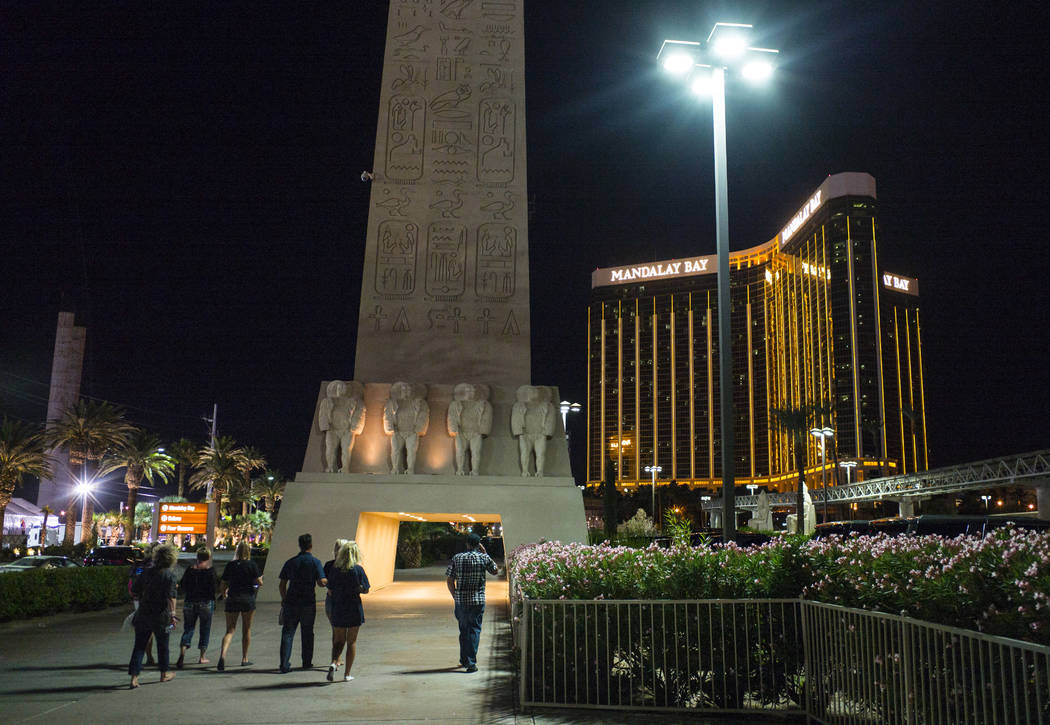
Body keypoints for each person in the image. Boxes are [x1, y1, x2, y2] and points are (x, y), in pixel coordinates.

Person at [446, 533, 500, 673]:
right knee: (474, 629)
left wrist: (455, 596)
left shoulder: (457, 558)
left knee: (464, 630)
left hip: (461, 601)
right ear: (478, 544)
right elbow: (495, 571)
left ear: (467, 544)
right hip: (477, 600)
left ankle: (464, 660)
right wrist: (485, 553)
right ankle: (470, 663)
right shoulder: (483, 557)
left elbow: (450, 580)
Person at [127, 543, 179, 688]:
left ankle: (134, 678)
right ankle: (164, 673)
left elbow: (135, 590)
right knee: (163, 645)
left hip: (144, 613)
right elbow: (171, 597)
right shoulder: (170, 575)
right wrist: (173, 615)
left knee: (139, 645)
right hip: (162, 616)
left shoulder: (146, 572)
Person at [278, 533, 327, 673]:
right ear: (311, 545)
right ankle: (306, 662)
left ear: (299, 545)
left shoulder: (290, 562)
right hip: (308, 603)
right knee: (307, 633)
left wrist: (284, 599)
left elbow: (282, 584)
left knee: (288, 633)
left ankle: (284, 664)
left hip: (291, 602)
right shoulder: (315, 562)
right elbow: (321, 582)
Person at [325, 541, 370, 682]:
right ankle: (347, 674)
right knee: (351, 642)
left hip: (338, 608)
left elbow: (330, 590)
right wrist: (358, 589)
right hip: (353, 608)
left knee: (338, 640)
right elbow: (366, 589)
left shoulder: (335, 570)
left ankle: (334, 662)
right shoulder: (358, 570)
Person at [217, 541, 263, 671]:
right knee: (246, 629)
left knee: (230, 630)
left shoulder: (231, 565)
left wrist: (224, 595)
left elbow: (223, 584)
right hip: (247, 599)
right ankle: (244, 658)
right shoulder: (252, 565)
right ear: (248, 551)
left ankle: (223, 656)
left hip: (232, 599)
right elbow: (259, 582)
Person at [176, 547, 219, 668]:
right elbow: (214, 588)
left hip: (190, 602)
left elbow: (183, 585)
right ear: (208, 557)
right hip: (206, 603)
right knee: (205, 629)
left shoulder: (190, 570)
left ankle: (182, 653)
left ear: (197, 557)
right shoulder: (211, 571)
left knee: (188, 628)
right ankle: (202, 656)